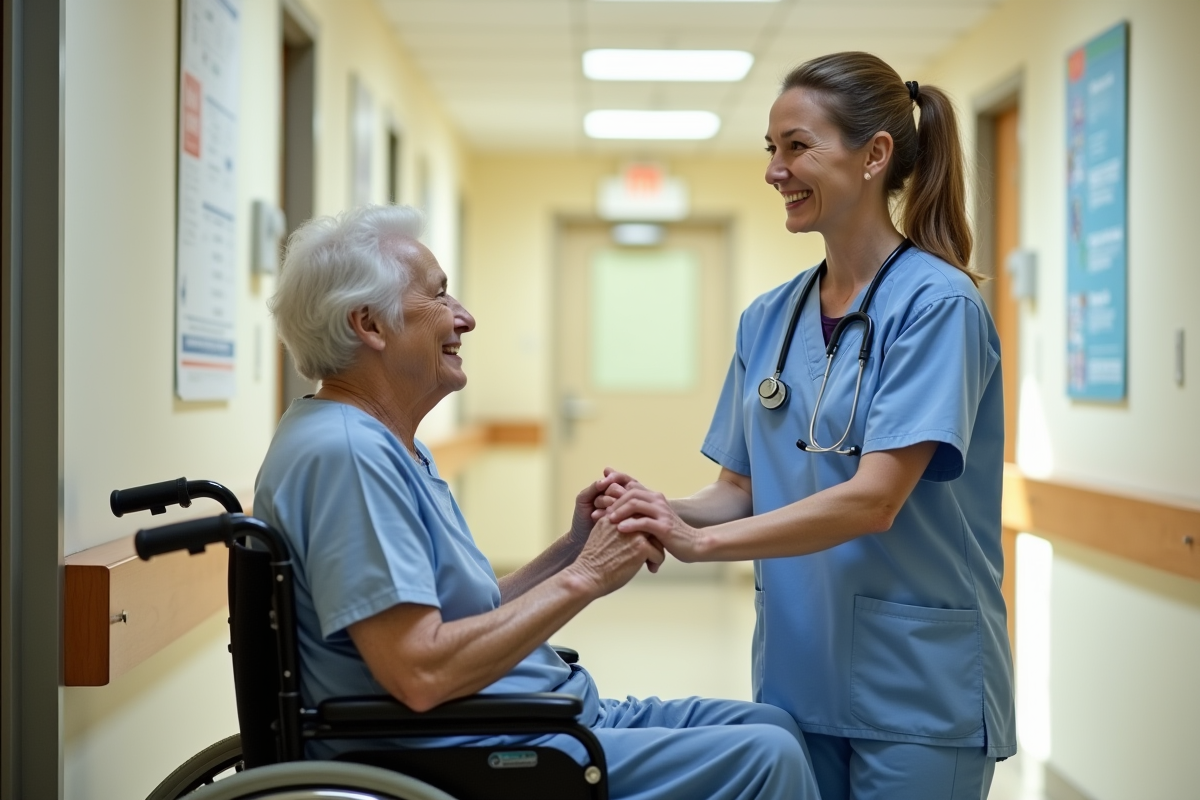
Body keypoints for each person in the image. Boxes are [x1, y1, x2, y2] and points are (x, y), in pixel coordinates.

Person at [254, 204, 820, 800]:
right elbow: (420, 672)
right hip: (480, 749)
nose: (464, 317)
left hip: (531, 717)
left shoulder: (383, 444)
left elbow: (461, 616)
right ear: (370, 324)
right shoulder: (347, 456)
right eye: (440, 297)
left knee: (771, 724)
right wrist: (587, 575)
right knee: (768, 757)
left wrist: (569, 550)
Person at [600, 52, 1016, 800]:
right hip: (798, 679)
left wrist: (703, 544)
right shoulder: (770, 318)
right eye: (772, 149)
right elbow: (740, 489)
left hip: (917, 688)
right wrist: (660, 510)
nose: (775, 171)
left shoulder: (938, 306)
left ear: (874, 156)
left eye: (796, 146)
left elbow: (874, 499)